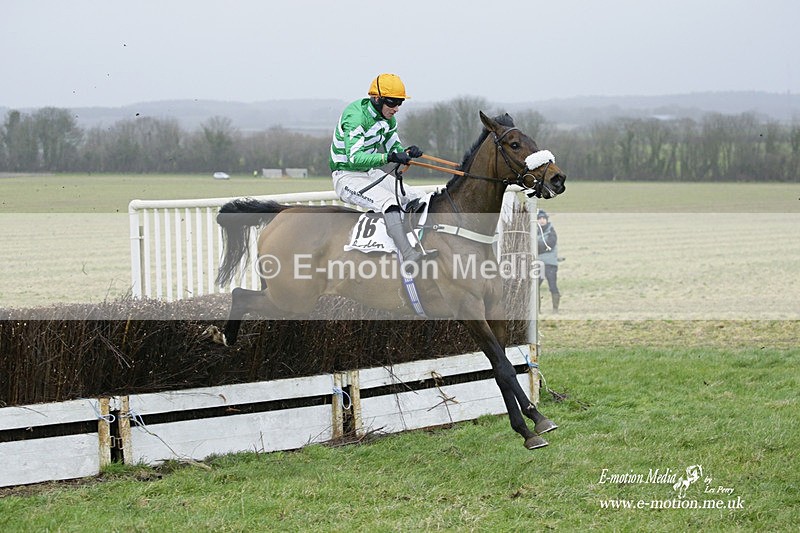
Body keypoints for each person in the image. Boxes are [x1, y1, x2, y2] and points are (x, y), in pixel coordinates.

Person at [329, 73, 428, 264]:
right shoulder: (356, 117)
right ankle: (408, 255)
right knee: (389, 202)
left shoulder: (388, 119)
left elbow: (394, 150)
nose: (396, 108)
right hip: (347, 176)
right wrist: (389, 157)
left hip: (371, 173)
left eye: (400, 102)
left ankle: (420, 242)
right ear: (377, 98)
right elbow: (355, 158)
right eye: (392, 102)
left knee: (418, 196)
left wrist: (406, 153)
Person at [536, 209, 560, 312]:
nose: (542, 221)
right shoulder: (533, 231)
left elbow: (550, 244)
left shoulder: (551, 231)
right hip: (538, 264)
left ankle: (555, 309)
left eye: (543, 218)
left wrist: (536, 245)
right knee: (536, 288)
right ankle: (537, 310)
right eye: (539, 219)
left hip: (550, 264)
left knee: (552, 286)